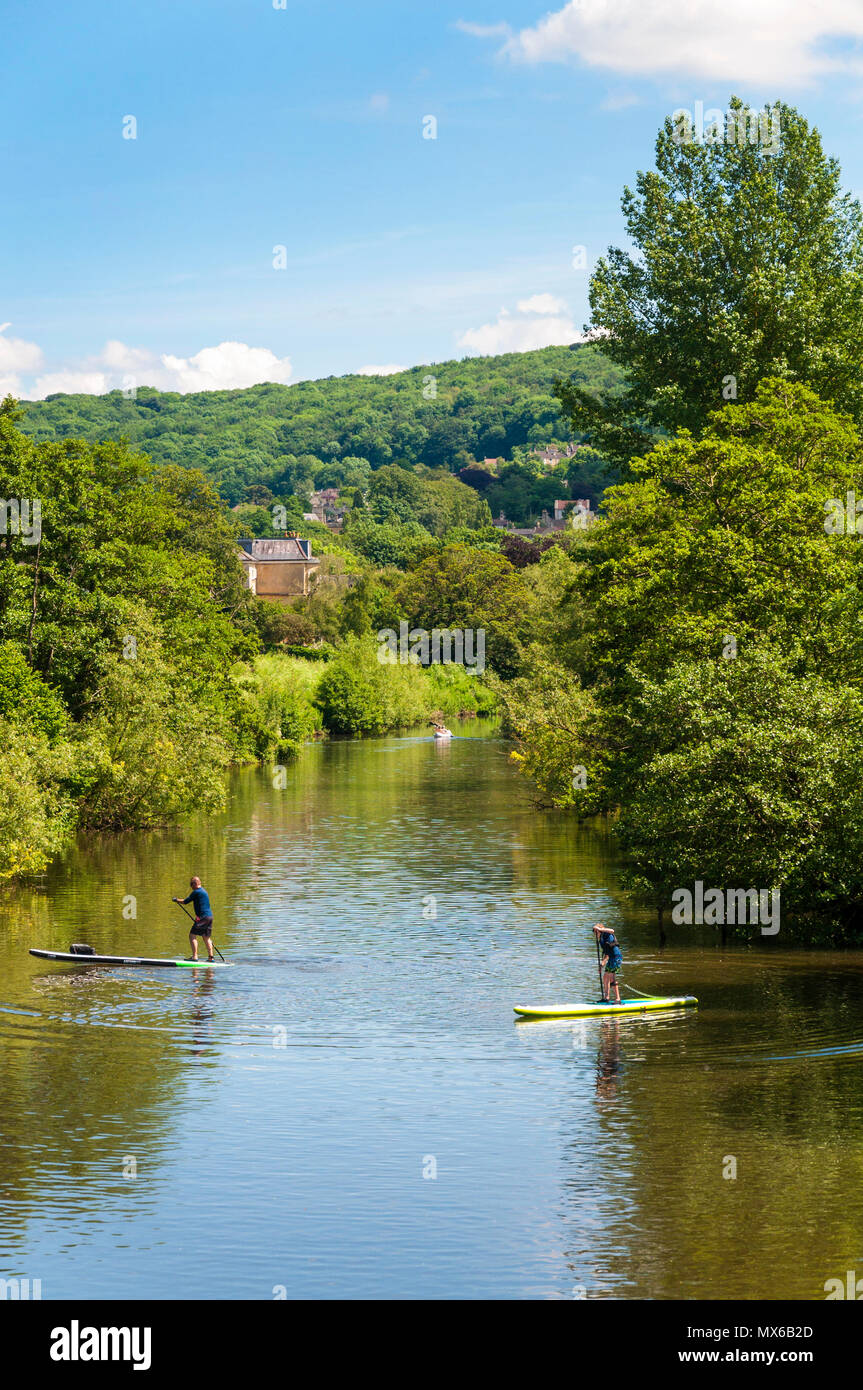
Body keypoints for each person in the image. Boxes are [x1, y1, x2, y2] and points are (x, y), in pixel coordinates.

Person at [173, 877, 215, 962]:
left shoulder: (196, 892)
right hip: (209, 917)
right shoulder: (204, 891)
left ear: (195, 884)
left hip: (203, 917)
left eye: (191, 885)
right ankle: (211, 957)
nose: (191, 887)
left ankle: (195, 957)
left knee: (192, 935)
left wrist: (176, 900)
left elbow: (185, 901)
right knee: (206, 937)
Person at [592, 922, 622, 1003]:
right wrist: (601, 965)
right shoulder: (602, 940)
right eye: (594, 931)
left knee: (610, 977)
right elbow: (607, 954)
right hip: (612, 958)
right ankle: (606, 997)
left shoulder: (606, 934)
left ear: (599, 930)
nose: (595, 933)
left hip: (616, 958)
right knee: (605, 977)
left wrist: (600, 929)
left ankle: (618, 999)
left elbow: (612, 930)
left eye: (596, 931)